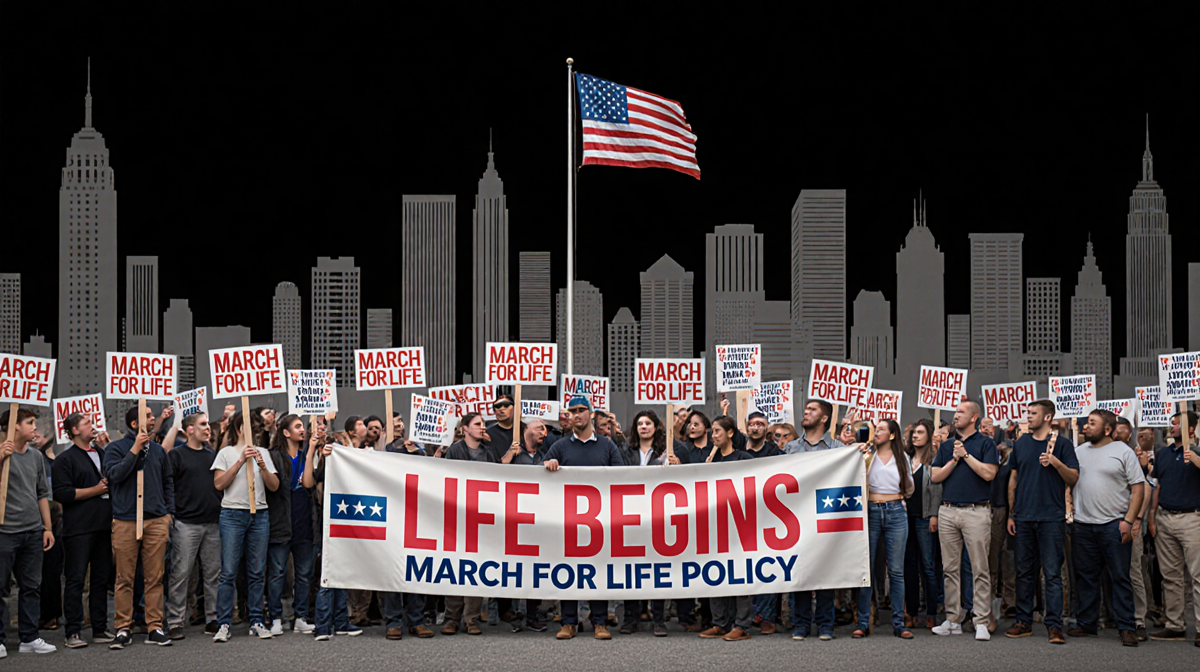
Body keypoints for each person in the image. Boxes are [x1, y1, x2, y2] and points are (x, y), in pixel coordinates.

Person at [544, 396, 624, 640]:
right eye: (572, 411)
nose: (576, 414)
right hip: (567, 520)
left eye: (581, 410)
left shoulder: (607, 446)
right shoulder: (559, 446)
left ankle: (599, 621)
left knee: (597, 570)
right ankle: (569, 622)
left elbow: (622, 476)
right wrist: (548, 464)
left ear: (591, 414)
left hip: (598, 521)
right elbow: (539, 474)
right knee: (569, 570)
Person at [1004, 400, 1078, 645]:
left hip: (1051, 518)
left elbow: (1074, 477)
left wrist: (1054, 461)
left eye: (1033, 413)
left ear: (1047, 417)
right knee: (1024, 572)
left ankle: (1054, 625)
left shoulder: (1063, 444)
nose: (1029, 416)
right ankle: (1023, 621)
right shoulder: (1021, 443)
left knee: (1052, 574)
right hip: (1024, 517)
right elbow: (1013, 479)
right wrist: (1012, 514)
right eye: (1028, 412)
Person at [1069, 408, 1144, 647]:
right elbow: (1069, 483)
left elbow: (1138, 488)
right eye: (1086, 423)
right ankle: (1088, 623)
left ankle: (1126, 627)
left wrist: (1128, 521)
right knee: (1086, 577)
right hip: (1083, 526)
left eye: (1092, 423)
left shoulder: (1123, 451)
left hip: (1114, 525)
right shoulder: (1078, 451)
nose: (1086, 426)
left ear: (1108, 429)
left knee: (1120, 577)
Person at [103, 404, 175, 649]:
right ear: (135, 424)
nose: (154, 419)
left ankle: (154, 625)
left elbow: (167, 481)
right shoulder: (115, 448)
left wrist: (168, 513)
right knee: (125, 577)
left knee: (155, 577)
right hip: (125, 520)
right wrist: (134, 450)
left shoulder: (157, 450)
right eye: (148, 417)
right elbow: (114, 476)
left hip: (156, 519)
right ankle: (123, 628)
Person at [930, 399, 999, 641]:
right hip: (948, 511)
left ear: (973, 417)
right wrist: (954, 459)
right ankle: (952, 619)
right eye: (956, 411)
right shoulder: (947, 445)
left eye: (961, 412)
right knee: (950, 569)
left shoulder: (986, 444)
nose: (955, 415)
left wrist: (966, 455)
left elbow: (989, 473)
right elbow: (935, 475)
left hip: (976, 511)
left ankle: (980, 619)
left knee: (980, 568)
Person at [210, 410, 280, 642]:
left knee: (257, 572)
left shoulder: (263, 453)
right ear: (240, 429)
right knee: (228, 571)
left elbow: (274, 486)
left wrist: (261, 464)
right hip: (232, 514)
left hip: (259, 514)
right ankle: (224, 623)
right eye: (252, 427)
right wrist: (241, 461)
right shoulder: (226, 453)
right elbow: (219, 483)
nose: (257, 431)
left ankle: (257, 620)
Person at [51, 412, 115, 649]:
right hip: (78, 528)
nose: (93, 426)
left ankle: (99, 628)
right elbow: (62, 494)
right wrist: (95, 490)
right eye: (87, 423)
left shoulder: (100, 453)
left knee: (100, 579)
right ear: (75, 431)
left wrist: (107, 447)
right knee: (76, 579)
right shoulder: (65, 459)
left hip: (103, 525)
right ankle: (73, 631)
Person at [0, 408, 57, 656]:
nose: (35, 427)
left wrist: (47, 527)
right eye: (30, 423)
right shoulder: (3, 453)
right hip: (4, 531)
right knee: (1, 589)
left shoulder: (35, 456)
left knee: (31, 586)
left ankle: (29, 637)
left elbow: (41, 493)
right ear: (13, 426)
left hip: (32, 531)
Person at [694, 416, 756, 642]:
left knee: (739, 574)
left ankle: (742, 624)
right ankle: (720, 623)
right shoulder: (709, 460)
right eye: (713, 431)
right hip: (714, 525)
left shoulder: (743, 458)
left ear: (730, 433)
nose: (714, 435)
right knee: (716, 573)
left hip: (739, 524)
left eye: (718, 431)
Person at [164, 413, 223, 639]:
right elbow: (169, 485)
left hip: (212, 523)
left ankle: (213, 618)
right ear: (189, 429)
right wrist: (172, 513)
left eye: (208, 424)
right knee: (181, 573)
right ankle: (175, 621)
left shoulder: (213, 456)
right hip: (186, 523)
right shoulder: (177, 456)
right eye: (202, 424)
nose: (207, 428)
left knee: (213, 574)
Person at [854, 419, 914, 639]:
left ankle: (899, 622)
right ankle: (863, 621)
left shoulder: (902, 458)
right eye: (874, 429)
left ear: (891, 435)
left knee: (896, 571)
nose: (876, 432)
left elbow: (909, 489)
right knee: (866, 571)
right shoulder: (866, 456)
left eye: (880, 429)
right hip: (871, 510)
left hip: (896, 510)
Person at [616, 410, 673, 637]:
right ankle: (631, 618)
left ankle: (658, 619)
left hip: (658, 516)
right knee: (631, 570)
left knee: (657, 569)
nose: (643, 427)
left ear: (655, 427)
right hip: (631, 516)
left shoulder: (667, 450)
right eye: (639, 423)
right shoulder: (625, 450)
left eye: (648, 423)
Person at [441, 413, 497, 636]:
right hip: (458, 515)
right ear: (465, 429)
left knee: (475, 567)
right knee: (455, 568)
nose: (482, 428)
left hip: (480, 516)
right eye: (477, 424)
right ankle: (451, 618)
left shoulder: (488, 451)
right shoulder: (455, 450)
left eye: (483, 424)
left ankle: (472, 619)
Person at [1147, 410, 1200, 645]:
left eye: (1177, 424)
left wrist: (1196, 459)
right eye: (1172, 423)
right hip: (1165, 518)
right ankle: (1175, 625)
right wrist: (1151, 517)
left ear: (1191, 429)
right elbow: (1157, 486)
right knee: (1170, 577)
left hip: (1193, 519)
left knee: (1198, 577)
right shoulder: (1163, 454)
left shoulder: (1198, 452)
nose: (1172, 427)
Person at [306, 430, 363, 641]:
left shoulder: (353, 468)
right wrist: (321, 454)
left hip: (348, 528)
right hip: (328, 530)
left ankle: (340, 622)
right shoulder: (324, 469)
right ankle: (322, 625)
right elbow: (309, 482)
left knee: (342, 576)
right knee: (328, 577)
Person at [265, 414, 318, 636]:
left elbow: (307, 483)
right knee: (278, 572)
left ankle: (300, 617)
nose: (302, 430)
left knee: (304, 574)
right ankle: (276, 617)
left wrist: (312, 450)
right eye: (297, 427)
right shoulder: (274, 456)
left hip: (304, 522)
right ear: (285, 433)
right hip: (281, 522)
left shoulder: (307, 455)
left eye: (302, 427)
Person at [904, 418, 941, 630]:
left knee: (927, 566)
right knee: (909, 566)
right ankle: (911, 612)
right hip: (905, 518)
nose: (915, 436)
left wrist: (934, 514)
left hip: (925, 517)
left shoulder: (934, 460)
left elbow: (937, 488)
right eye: (914, 433)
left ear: (928, 435)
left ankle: (932, 612)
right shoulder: (905, 459)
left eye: (920, 432)